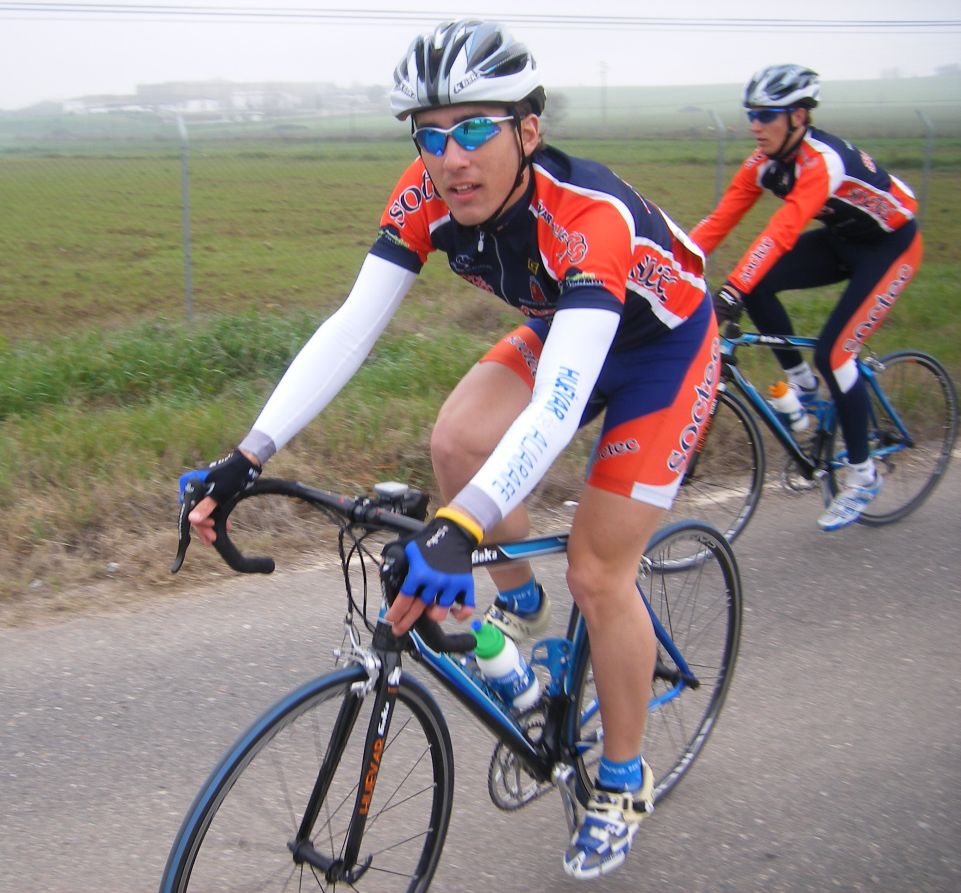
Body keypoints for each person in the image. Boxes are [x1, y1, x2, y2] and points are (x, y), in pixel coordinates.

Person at [179, 19, 717, 879]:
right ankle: (524, 611)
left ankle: (621, 780)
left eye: (474, 129)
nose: (451, 158)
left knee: (597, 572)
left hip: (662, 354)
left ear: (527, 131)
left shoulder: (588, 217)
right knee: (457, 441)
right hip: (564, 326)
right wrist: (246, 455)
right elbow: (351, 327)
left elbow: (559, 403)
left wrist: (459, 527)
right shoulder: (425, 193)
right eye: (430, 136)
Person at [690, 64, 923, 531]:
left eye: (766, 115)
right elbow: (717, 223)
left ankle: (863, 475)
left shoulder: (822, 161)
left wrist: (731, 290)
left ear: (798, 117)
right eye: (751, 114)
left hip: (891, 246)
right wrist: (665, 269)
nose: (755, 125)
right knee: (759, 286)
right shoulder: (763, 164)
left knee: (835, 353)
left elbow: (781, 232)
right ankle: (804, 386)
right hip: (842, 239)